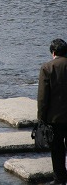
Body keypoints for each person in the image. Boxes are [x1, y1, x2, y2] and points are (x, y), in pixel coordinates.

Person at [37, 38, 67, 185]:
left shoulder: (47, 68)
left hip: (55, 118)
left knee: (57, 149)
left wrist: (41, 119)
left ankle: (60, 179)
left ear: (53, 52)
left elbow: (43, 97)